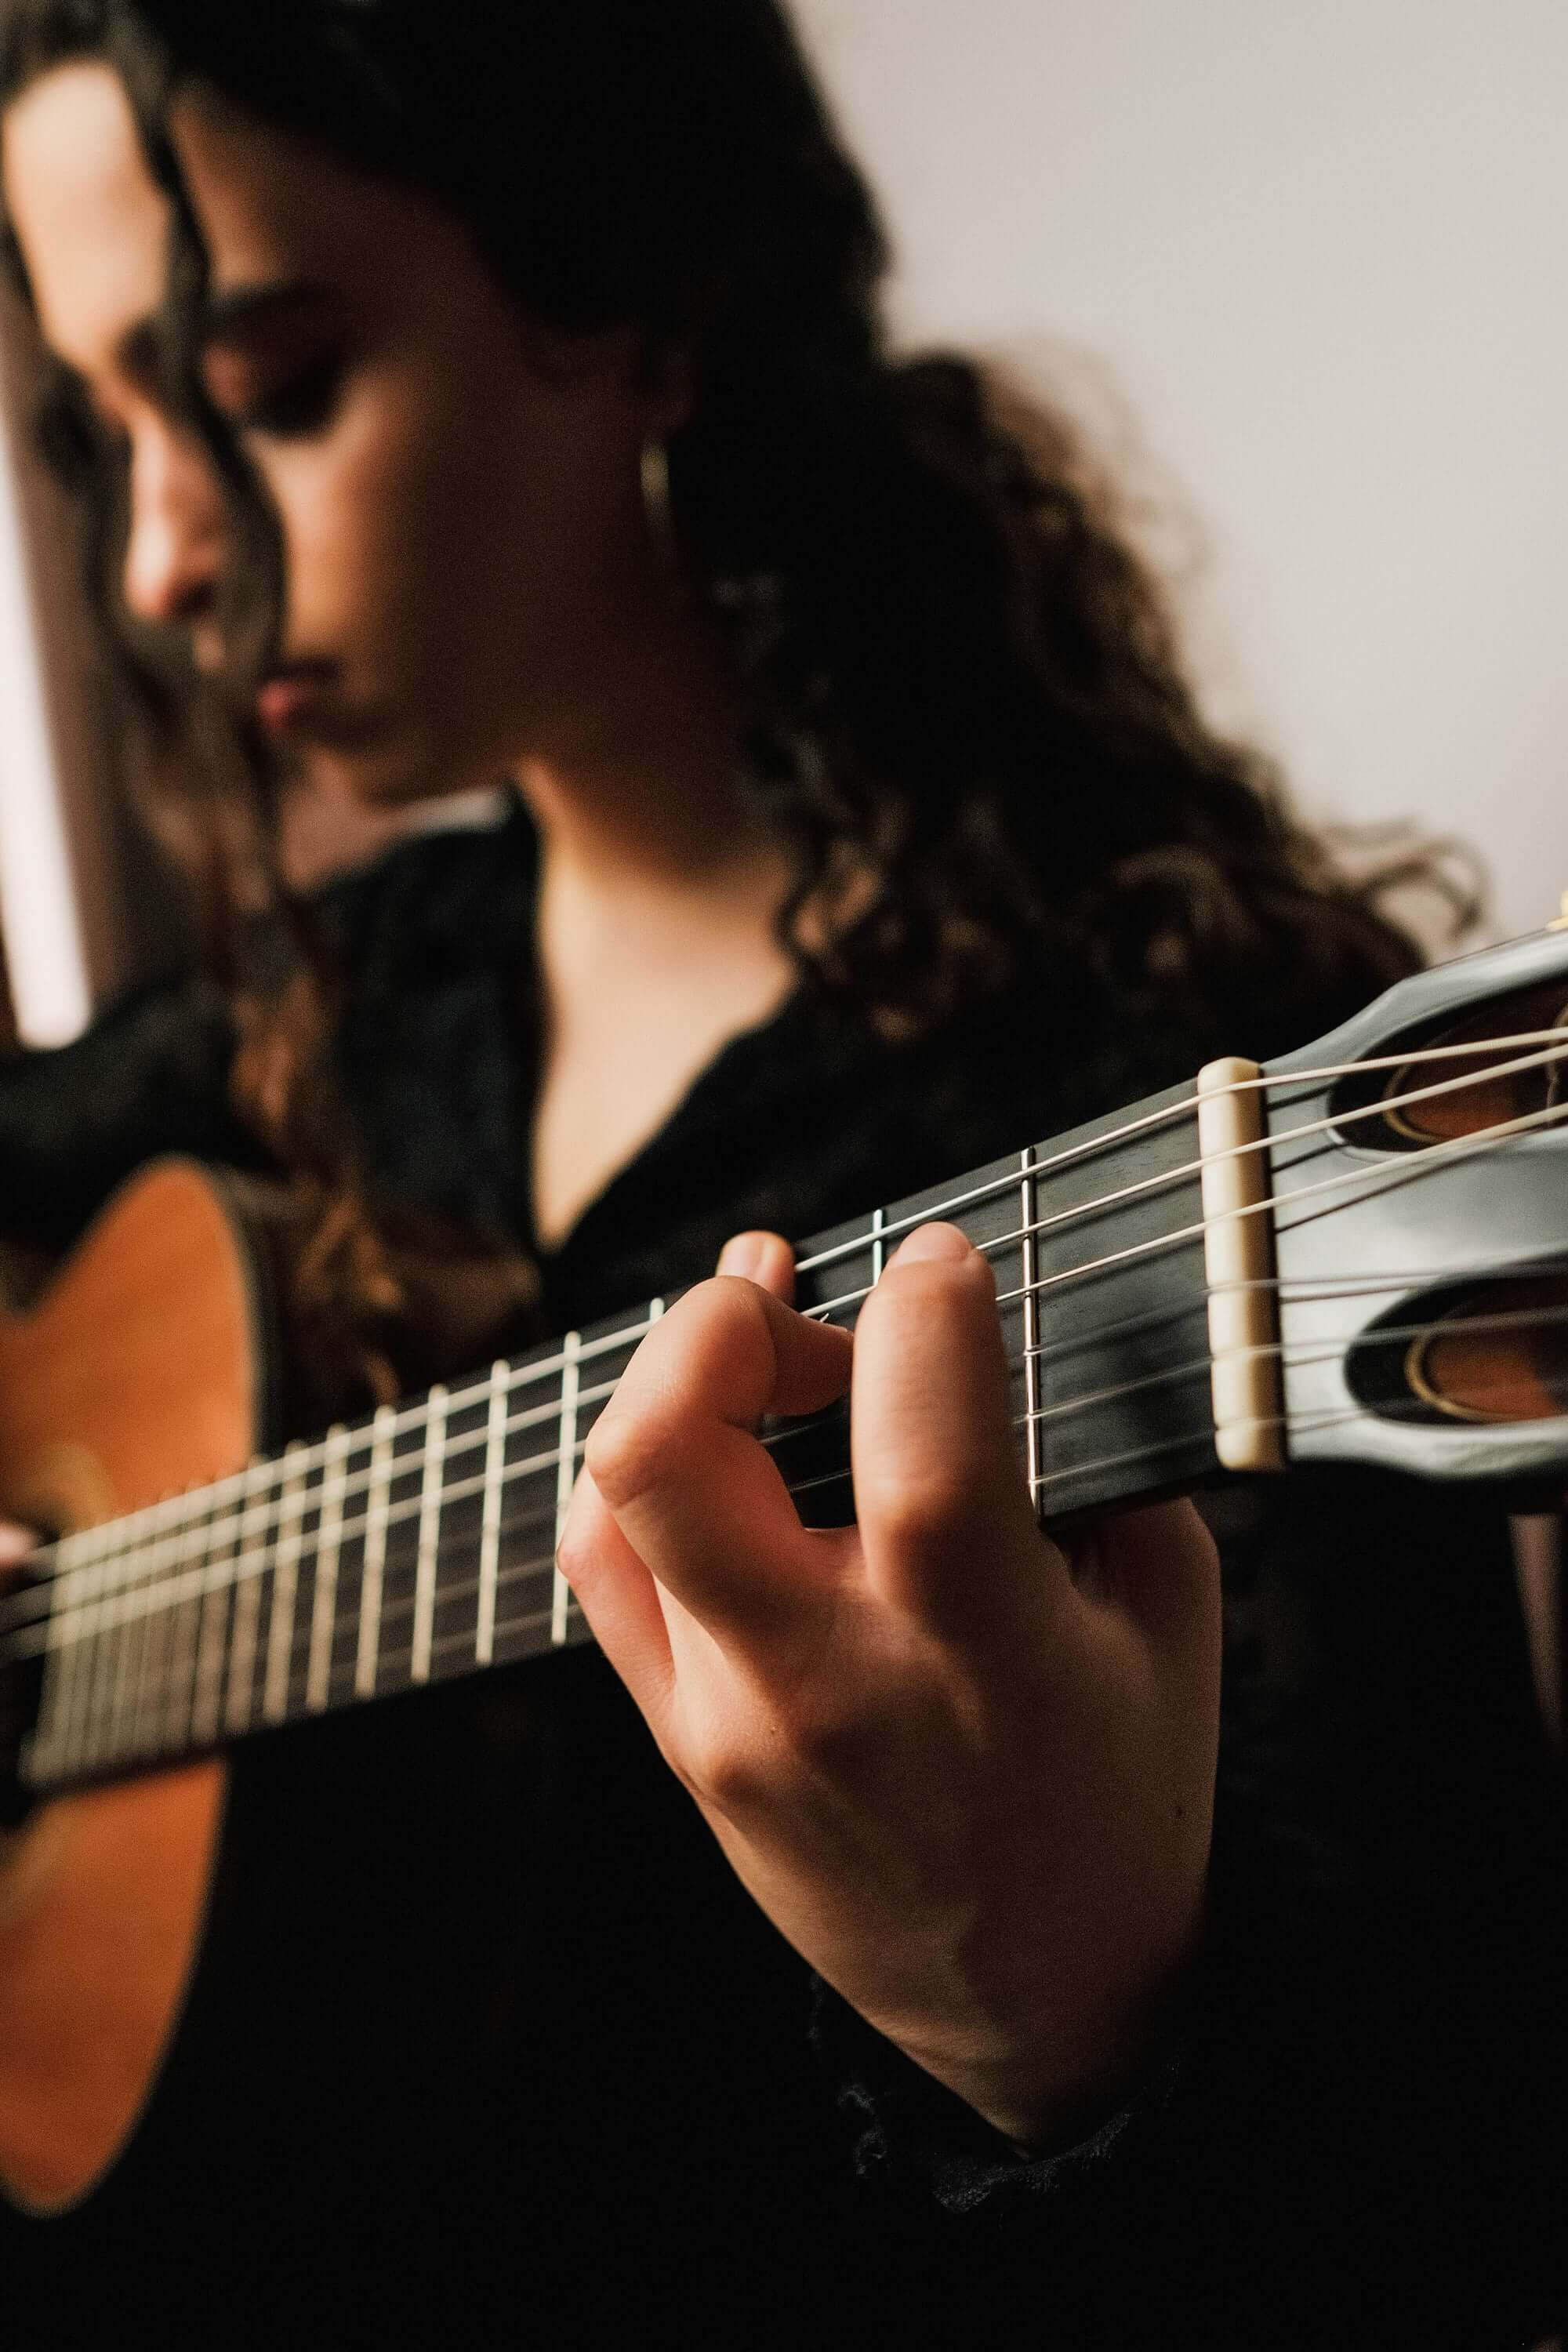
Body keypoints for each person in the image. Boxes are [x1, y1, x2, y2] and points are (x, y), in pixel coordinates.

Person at [0, 2, 1561, 2339]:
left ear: (644, 306)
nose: (153, 567)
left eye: (277, 384)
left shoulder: (1179, 1085)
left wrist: (1062, 2023)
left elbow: (1452, 2208)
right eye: (98, 437)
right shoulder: (325, 1009)